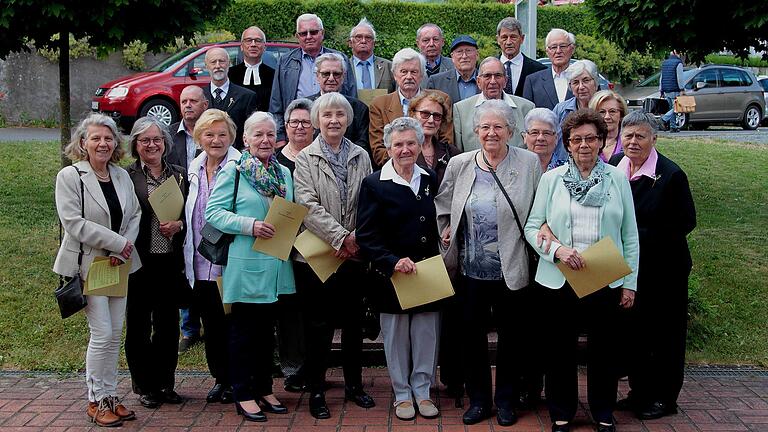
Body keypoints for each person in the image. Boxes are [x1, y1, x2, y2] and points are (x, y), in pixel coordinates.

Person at [524, 109, 639, 432]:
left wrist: (630, 283)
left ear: (602, 141)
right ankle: (562, 411)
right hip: (559, 280)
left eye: (591, 138)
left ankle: (603, 411)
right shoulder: (552, 179)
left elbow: (630, 234)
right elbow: (533, 228)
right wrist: (558, 250)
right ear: (568, 145)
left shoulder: (618, 178)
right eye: (577, 140)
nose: (584, 145)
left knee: (604, 350)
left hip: (605, 277)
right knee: (559, 350)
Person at [435, 100, 542, 427]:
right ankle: (479, 400)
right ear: (476, 131)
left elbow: (540, 209)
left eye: (498, 127)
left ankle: (506, 400)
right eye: (485, 127)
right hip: (470, 270)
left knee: (512, 340)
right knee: (472, 339)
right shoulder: (460, 163)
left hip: (512, 267)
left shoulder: (528, 162)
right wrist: (446, 229)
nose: (491, 133)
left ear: (511, 131)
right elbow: (443, 204)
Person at [205, 111, 295, 422]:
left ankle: (265, 387)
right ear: (245, 139)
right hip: (246, 266)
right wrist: (250, 225)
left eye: (270, 134)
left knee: (267, 334)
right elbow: (213, 213)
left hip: (276, 268)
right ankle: (243, 392)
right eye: (258, 134)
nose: (265, 140)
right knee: (244, 333)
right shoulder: (234, 171)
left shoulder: (284, 173)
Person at [54, 113, 142, 427]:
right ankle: (96, 400)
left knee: (115, 333)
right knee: (102, 333)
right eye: (96, 138)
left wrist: (125, 246)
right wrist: (119, 243)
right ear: (83, 143)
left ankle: (110, 395)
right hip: (88, 265)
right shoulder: (71, 176)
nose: (103, 143)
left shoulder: (120, 176)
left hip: (118, 265)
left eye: (108, 138)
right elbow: (74, 223)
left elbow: (135, 214)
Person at [293, 92, 375, 419]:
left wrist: (355, 239)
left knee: (353, 324)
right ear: (317, 120)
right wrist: (340, 237)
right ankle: (316, 389)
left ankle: (355, 386)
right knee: (319, 325)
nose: (334, 120)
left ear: (348, 119)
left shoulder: (361, 155)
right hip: (319, 256)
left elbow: (369, 199)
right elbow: (306, 205)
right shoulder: (305, 158)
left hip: (354, 255)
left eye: (340, 114)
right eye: (327, 115)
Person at [610, 111, 696, 420]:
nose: (633, 142)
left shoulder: (671, 175)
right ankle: (639, 392)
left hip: (664, 270)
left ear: (654, 139)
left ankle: (664, 398)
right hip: (628, 269)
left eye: (640, 136)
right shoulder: (613, 168)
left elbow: (686, 221)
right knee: (635, 334)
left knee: (665, 336)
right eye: (628, 135)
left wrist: (635, 236)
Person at [356, 117, 442, 421]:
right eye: (398, 144)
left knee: (426, 334)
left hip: (427, 274)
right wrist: (392, 261)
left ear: (420, 145)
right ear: (388, 147)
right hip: (392, 275)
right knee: (395, 336)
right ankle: (402, 394)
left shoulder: (430, 178)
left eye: (410, 143)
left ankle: (423, 390)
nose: (405, 149)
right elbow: (366, 235)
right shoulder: (374, 184)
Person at [125, 117, 188, 409]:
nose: (152, 145)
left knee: (168, 326)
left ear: (165, 143)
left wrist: (179, 225)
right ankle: (145, 385)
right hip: (139, 262)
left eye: (157, 140)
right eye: (145, 140)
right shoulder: (126, 177)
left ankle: (165, 383)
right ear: (136, 145)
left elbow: (191, 216)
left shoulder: (179, 175)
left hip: (169, 262)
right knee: (138, 326)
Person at [182, 109, 241, 405]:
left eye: (222, 134)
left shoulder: (241, 166)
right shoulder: (193, 167)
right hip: (199, 260)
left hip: (230, 260)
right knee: (212, 324)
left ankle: (236, 379)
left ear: (231, 136)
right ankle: (220, 378)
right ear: (199, 137)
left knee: (232, 324)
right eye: (209, 134)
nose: (216, 140)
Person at [270, 13, 357, 145]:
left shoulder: (339, 59)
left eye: (314, 32)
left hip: (334, 130)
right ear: (297, 36)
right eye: (304, 33)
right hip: (298, 132)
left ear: (322, 33)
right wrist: (280, 137)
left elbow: (351, 97)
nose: (309, 37)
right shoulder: (285, 62)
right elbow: (276, 102)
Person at [369, 48, 453, 168]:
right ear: (395, 75)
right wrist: (405, 165)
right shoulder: (379, 105)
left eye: (414, 72)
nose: (409, 77)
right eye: (403, 71)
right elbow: (378, 149)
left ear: (422, 75)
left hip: (434, 170)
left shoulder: (441, 99)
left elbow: (446, 142)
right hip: (394, 172)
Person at [453, 57, 534, 152]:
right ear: (478, 81)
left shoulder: (526, 108)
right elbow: (459, 152)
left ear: (505, 81)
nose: (493, 81)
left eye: (498, 75)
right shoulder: (461, 110)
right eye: (487, 76)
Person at [308, 53, 371, 159]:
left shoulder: (359, 108)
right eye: (326, 74)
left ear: (343, 76)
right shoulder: (305, 107)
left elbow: (363, 144)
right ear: (317, 76)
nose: (331, 78)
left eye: (336, 74)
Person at [202, 47, 258, 151]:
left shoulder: (247, 96)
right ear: (206, 66)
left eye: (222, 61)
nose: (218, 66)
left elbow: (251, 130)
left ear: (229, 64)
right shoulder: (199, 97)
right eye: (213, 62)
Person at [551, 59, 601, 166]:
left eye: (586, 80)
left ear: (595, 83)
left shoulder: (604, 108)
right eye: (575, 82)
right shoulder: (561, 110)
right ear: (570, 87)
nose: (581, 87)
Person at [408, 91, 460, 185]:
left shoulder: (451, 153)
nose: (431, 120)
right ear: (413, 115)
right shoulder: (403, 151)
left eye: (437, 116)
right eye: (425, 114)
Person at [522, 28, 575, 109]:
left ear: (572, 49)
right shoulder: (533, 81)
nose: (558, 51)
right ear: (547, 52)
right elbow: (527, 114)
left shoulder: (581, 79)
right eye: (553, 47)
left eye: (563, 46)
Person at [228, 26, 275, 112]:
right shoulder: (230, 74)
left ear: (264, 47)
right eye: (248, 40)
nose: (253, 44)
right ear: (241, 46)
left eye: (258, 41)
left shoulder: (274, 75)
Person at [496, 17, 546, 97]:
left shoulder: (538, 70)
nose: (508, 42)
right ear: (498, 39)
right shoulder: (486, 68)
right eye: (504, 37)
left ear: (522, 39)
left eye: (513, 37)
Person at [426, 35, 480, 104]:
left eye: (468, 51)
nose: (464, 56)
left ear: (477, 55)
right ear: (452, 57)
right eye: (459, 52)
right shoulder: (436, 82)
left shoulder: (487, 80)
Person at [348, 18, 395, 93]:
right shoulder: (344, 67)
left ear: (374, 43)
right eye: (359, 37)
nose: (363, 41)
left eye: (368, 37)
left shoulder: (389, 66)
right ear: (350, 43)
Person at [169, 85, 208, 170]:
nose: (188, 105)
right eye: (184, 102)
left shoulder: (216, 134)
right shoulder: (167, 134)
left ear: (205, 105)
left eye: (193, 101)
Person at [589, 90, 628, 162]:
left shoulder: (630, 140)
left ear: (621, 115)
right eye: (602, 112)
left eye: (612, 111)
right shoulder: (587, 141)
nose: (607, 117)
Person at [276, 98, 313, 174]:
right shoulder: (275, 159)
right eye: (294, 122)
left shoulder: (323, 156)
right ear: (286, 127)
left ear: (314, 127)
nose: (300, 127)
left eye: (305, 122)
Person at [523, 107, 563, 172]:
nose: (540, 138)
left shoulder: (566, 170)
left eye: (546, 133)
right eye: (534, 132)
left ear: (556, 138)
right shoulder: (513, 167)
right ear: (525, 137)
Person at [659, 51, 685, 132]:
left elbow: (661, 77)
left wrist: (661, 90)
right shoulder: (678, 63)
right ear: (677, 54)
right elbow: (680, 77)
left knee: (671, 108)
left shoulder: (665, 63)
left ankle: (672, 127)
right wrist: (682, 89)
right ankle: (664, 119)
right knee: (676, 108)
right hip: (675, 89)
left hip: (666, 89)